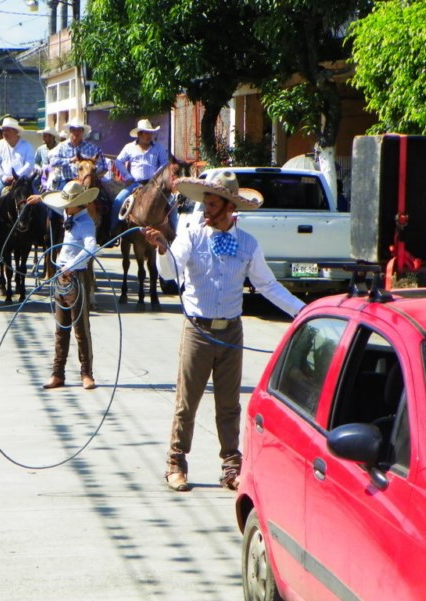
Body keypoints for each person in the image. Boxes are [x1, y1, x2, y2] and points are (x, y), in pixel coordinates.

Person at [142, 171, 306, 492]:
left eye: (213, 205)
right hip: (198, 330)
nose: (206, 210)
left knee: (229, 404)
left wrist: (303, 312)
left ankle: (231, 467)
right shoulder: (191, 235)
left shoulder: (248, 244)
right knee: (187, 402)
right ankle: (176, 463)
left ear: (230, 208)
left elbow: (268, 286)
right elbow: (170, 272)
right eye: (205, 203)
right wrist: (162, 248)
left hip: (231, 331)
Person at [26, 181, 100, 391]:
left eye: (68, 204)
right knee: (61, 329)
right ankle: (57, 373)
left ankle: (86, 373)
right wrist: (41, 198)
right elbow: (57, 207)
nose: (65, 207)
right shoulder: (70, 214)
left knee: (81, 329)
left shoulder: (86, 223)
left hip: (76, 278)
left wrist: (71, 266)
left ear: (77, 204)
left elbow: (91, 247)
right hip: (61, 278)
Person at [110, 119, 168, 234]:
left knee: (171, 205)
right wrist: (127, 176)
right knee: (118, 201)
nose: (149, 136)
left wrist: (156, 176)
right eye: (146, 133)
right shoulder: (129, 147)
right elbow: (118, 161)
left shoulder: (159, 148)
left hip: (154, 185)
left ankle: (174, 233)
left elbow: (164, 164)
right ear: (139, 134)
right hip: (135, 184)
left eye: (150, 133)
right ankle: (113, 231)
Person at [0, 117, 35, 206]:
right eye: (3, 130)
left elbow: (29, 164)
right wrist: (3, 177)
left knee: (42, 204)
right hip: (2, 181)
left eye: (8, 130)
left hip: (23, 181)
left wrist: (17, 176)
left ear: (16, 131)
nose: (4, 133)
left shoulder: (27, 146)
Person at [49, 118, 106, 189]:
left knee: (104, 194)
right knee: (58, 194)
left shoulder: (92, 148)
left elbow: (103, 166)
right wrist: (70, 160)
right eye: (73, 130)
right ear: (70, 131)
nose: (76, 132)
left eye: (79, 130)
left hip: (89, 181)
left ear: (83, 132)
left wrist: (90, 166)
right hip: (67, 181)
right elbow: (53, 162)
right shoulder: (61, 147)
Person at [34, 127, 60, 191]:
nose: (43, 138)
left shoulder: (59, 148)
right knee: (33, 184)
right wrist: (39, 168)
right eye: (43, 136)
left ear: (52, 137)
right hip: (43, 174)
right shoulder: (40, 149)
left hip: (56, 175)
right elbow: (35, 162)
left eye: (45, 136)